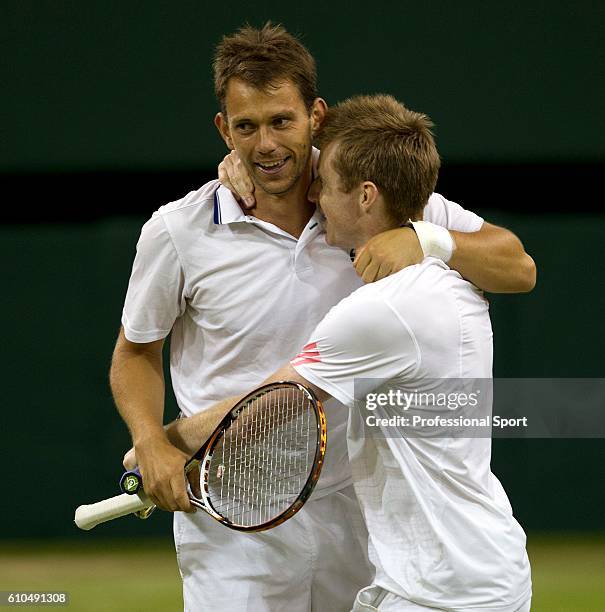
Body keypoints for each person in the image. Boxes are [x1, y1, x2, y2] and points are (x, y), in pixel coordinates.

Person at [112, 23, 535, 611]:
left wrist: (433, 242)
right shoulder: (177, 231)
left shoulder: (370, 193)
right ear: (222, 129)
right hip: (231, 516)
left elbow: (519, 267)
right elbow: (135, 351)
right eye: (246, 126)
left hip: (357, 510)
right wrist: (149, 440)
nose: (265, 144)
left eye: (281, 121)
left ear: (316, 115)